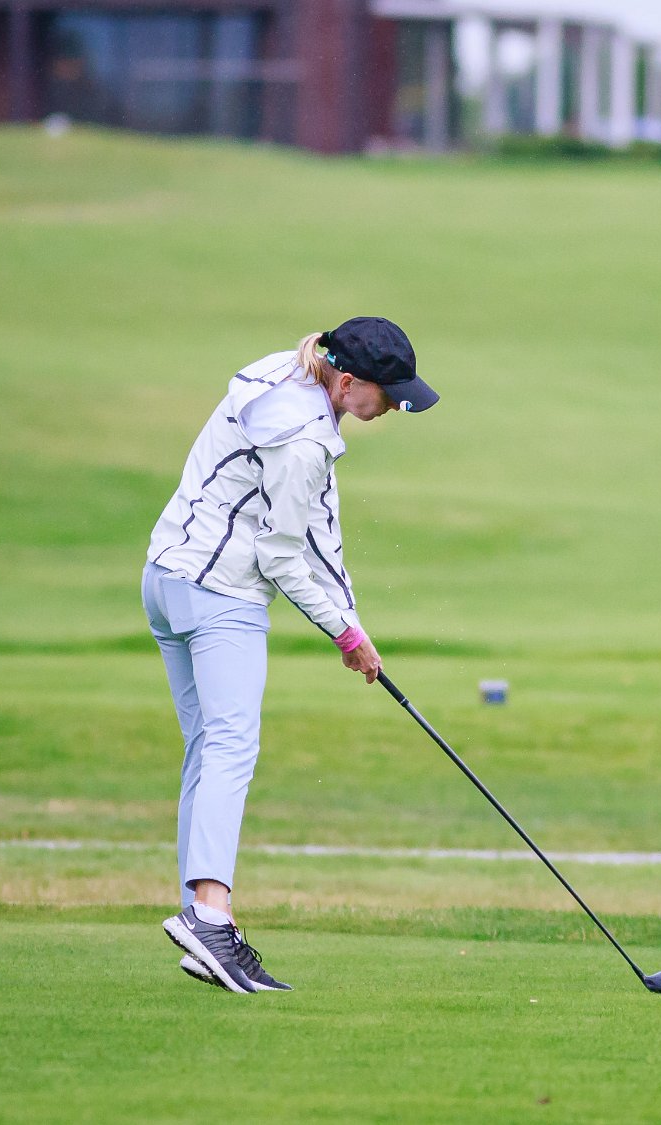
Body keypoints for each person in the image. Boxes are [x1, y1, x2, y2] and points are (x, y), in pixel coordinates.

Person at [143, 317, 438, 994]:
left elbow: (316, 531)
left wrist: (352, 625)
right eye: (386, 394)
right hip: (220, 595)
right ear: (348, 379)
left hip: (165, 577)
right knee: (231, 746)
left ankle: (205, 918)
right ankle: (210, 919)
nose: (390, 406)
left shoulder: (285, 371)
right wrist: (345, 634)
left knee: (207, 748)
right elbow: (283, 554)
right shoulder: (304, 440)